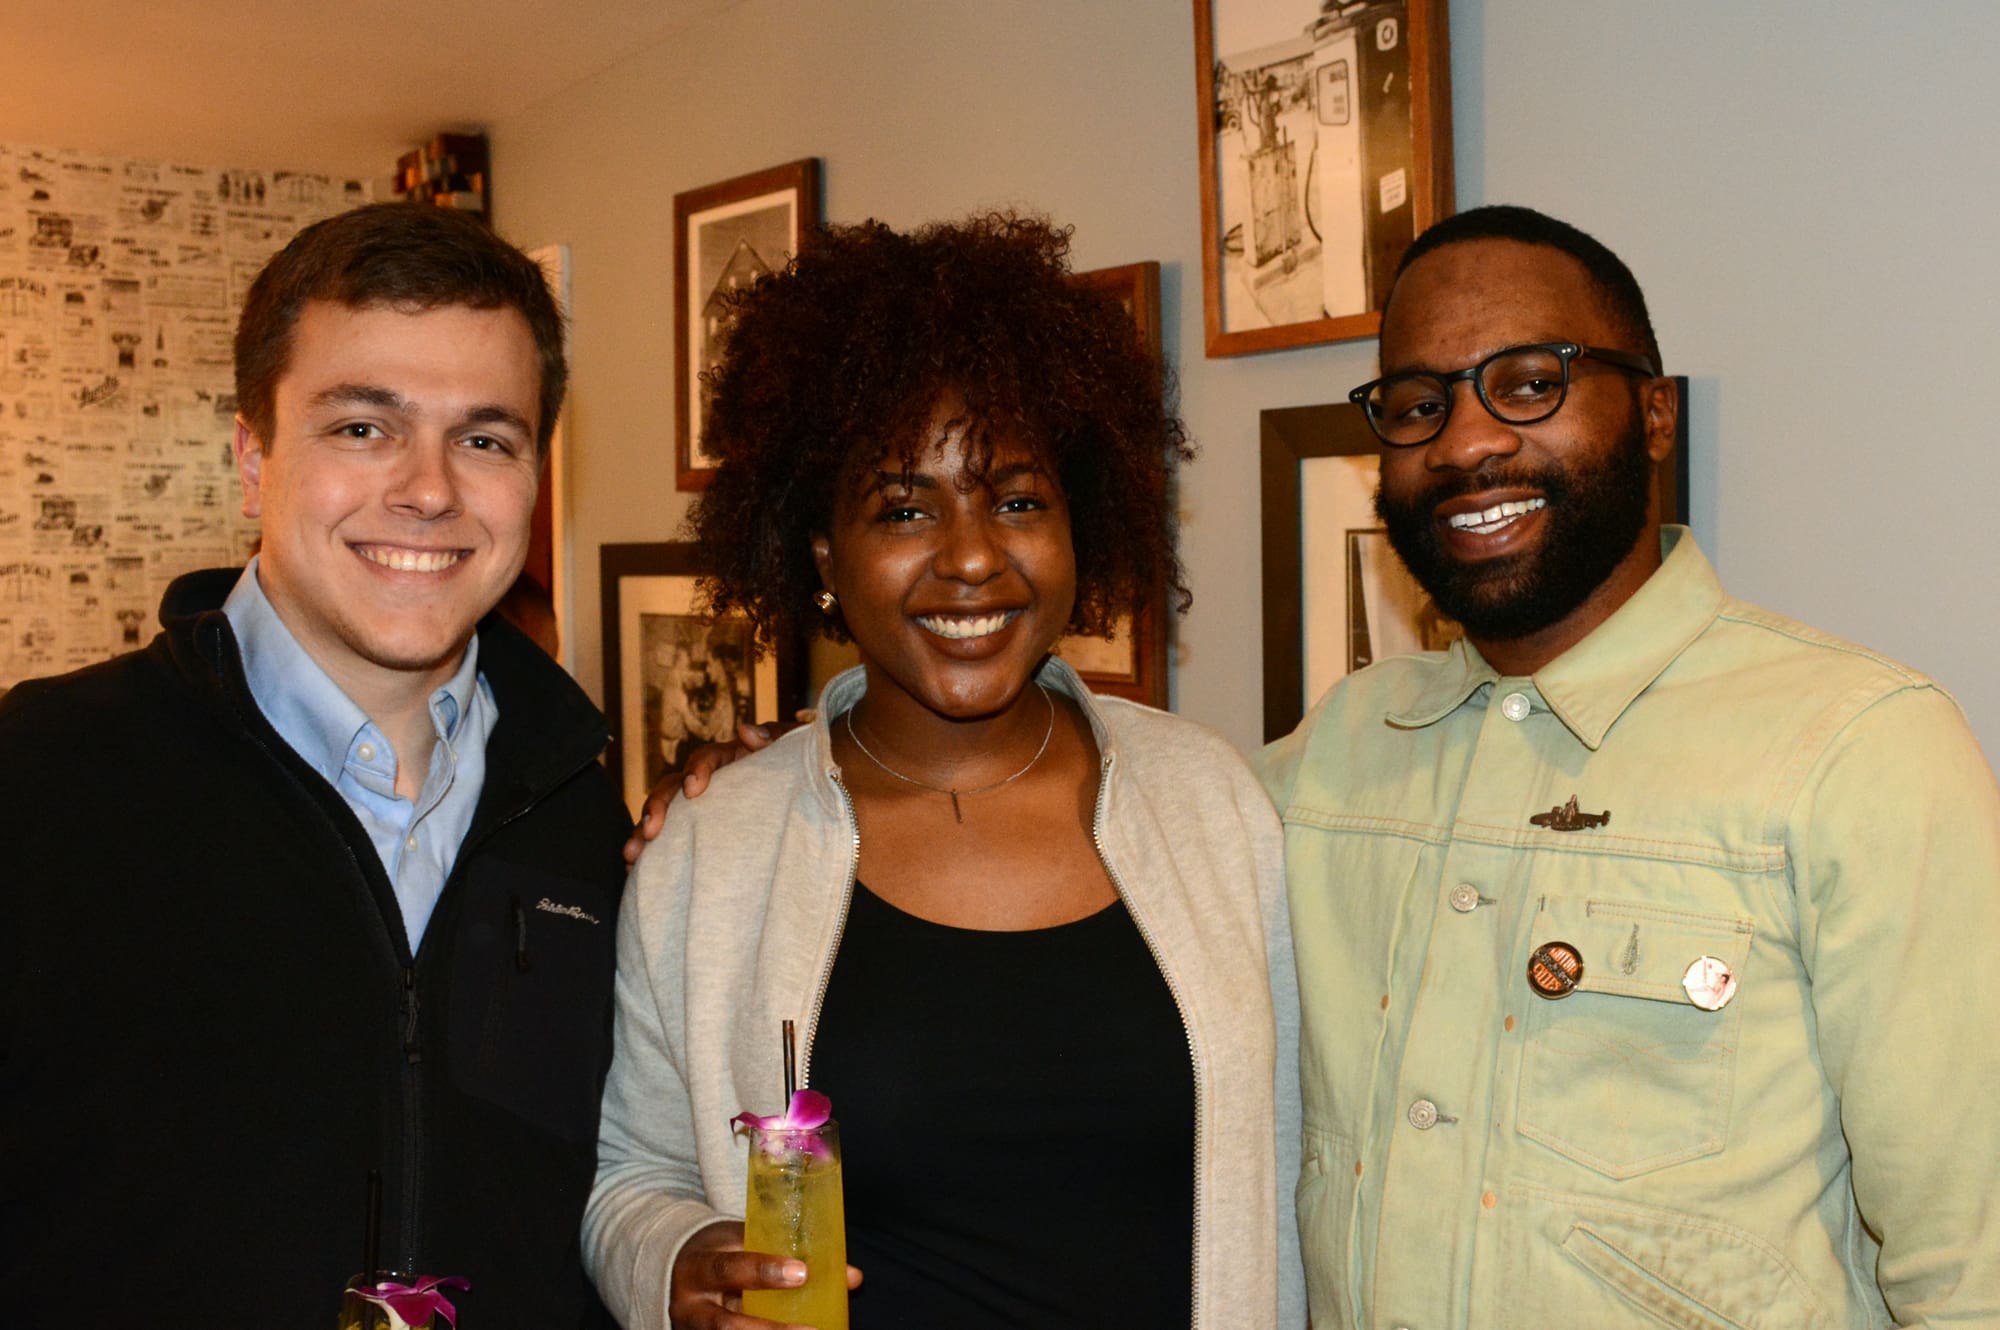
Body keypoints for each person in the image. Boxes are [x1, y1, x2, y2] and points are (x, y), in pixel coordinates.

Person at [1259, 205, 2000, 1326]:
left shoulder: (1856, 749)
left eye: (1528, 383)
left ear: (1654, 415)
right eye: (1417, 405)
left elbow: (1968, 1270)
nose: (1463, 444)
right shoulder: (1332, 757)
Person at [583, 214, 1304, 1330]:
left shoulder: (1213, 802)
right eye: (905, 510)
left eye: (1016, 500)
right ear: (823, 555)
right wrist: (675, 1261)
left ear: (1079, 525)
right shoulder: (714, 846)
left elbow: (1307, 1159)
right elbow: (634, 1170)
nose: (971, 557)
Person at [0, 203, 630, 1327]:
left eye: (485, 439)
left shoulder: (582, 804)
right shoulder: (40, 777)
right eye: (363, 427)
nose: (429, 490)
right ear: (253, 458)